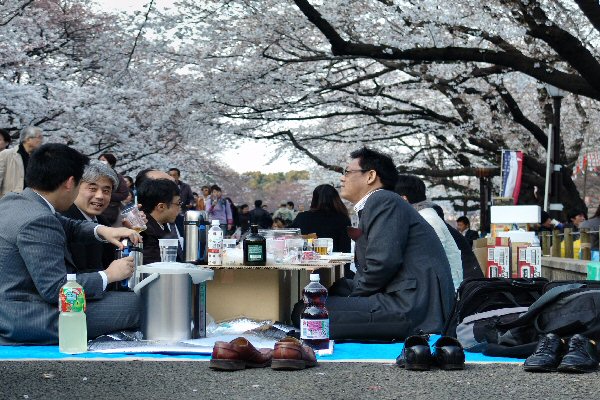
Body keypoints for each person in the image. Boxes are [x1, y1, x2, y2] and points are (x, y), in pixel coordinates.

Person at [293, 147, 455, 341]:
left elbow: (382, 263)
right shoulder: (382, 203)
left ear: (370, 176)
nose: (342, 178)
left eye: (347, 172)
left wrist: (353, 299)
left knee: (306, 311)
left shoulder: (383, 200)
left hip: (410, 308)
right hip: (408, 297)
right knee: (324, 293)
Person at [0, 143, 142, 344]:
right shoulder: (39, 221)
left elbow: (67, 225)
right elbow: (55, 289)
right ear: (70, 183)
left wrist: (102, 230)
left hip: (12, 305)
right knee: (138, 303)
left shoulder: (16, 201)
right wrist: (108, 275)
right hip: (28, 317)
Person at [395, 175, 466, 288]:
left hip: (442, 290)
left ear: (403, 199)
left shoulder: (428, 219)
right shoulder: (421, 216)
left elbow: (429, 260)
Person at [60, 161, 125, 282]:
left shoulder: (101, 221)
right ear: (75, 187)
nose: (100, 196)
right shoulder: (63, 220)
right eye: (92, 189)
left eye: (106, 191)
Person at [291, 184, 352, 273]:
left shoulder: (302, 217)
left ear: (314, 199)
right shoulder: (343, 219)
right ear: (336, 199)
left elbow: (289, 236)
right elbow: (345, 250)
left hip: (305, 270)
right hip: (334, 270)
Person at [137, 178, 183, 264]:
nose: (179, 209)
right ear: (161, 206)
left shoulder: (160, 225)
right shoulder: (145, 232)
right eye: (178, 203)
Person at [0, 126, 43, 198]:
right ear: (28, 139)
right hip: (9, 202)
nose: (41, 140)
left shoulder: (39, 158)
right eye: (39, 137)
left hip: (31, 202)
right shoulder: (6, 154)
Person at [98, 153, 129, 226]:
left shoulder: (118, 177)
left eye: (103, 160)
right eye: (99, 160)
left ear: (111, 164)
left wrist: (107, 194)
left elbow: (124, 194)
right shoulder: (92, 175)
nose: (100, 162)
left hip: (109, 211)